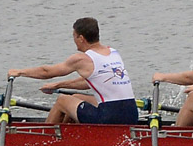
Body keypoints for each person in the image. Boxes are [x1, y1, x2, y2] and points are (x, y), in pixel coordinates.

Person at [9, 17, 137, 126]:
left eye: (74, 36)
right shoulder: (113, 52)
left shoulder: (82, 58)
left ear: (81, 38)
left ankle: (45, 138)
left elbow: (47, 72)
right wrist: (59, 85)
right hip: (132, 114)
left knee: (62, 101)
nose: (74, 40)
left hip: (109, 118)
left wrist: (20, 72)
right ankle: (70, 133)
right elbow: (95, 81)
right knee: (76, 97)